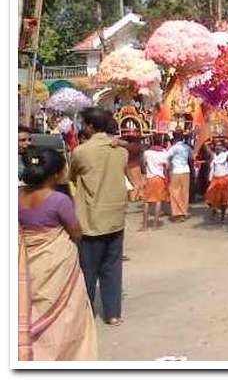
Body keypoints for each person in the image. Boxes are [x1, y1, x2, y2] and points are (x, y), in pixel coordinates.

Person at [18, 147, 98, 360]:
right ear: (55, 174)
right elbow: (76, 232)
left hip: (27, 261)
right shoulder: (59, 200)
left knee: (32, 308)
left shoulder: (18, 197)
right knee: (66, 312)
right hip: (57, 262)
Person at [68, 107, 128, 326]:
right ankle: (113, 314)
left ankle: (87, 315)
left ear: (90, 126)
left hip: (91, 219)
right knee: (112, 268)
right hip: (115, 217)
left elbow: (71, 176)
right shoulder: (120, 151)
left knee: (88, 270)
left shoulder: (81, 152)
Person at [141, 134, 170, 230]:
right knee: (158, 202)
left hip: (149, 178)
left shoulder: (147, 153)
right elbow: (168, 166)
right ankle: (155, 225)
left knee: (146, 202)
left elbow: (144, 164)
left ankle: (144, 226)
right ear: (162, 142)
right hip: (159, 178)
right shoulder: (164, 153)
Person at [204, 138, 228, 223]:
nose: (218, 147)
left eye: (220, 146)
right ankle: (214, 210)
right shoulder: (213, 155)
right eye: (216, 146)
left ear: (222, 147)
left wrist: (225, 141)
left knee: (224, 200)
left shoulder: (226, 155)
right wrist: (212, 140)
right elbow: (206, 145)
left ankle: (222, 217)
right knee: (210, 198)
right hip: (215, 179)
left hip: (224, 179)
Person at [166, 131, 192, 222]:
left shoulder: (173, 148)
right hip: (185, 171)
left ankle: (177, 213)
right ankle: (184, 212)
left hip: (176, 171)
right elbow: (191, 158)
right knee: (184, 192)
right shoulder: (187, 147)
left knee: (174, 192)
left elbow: (166, 157)